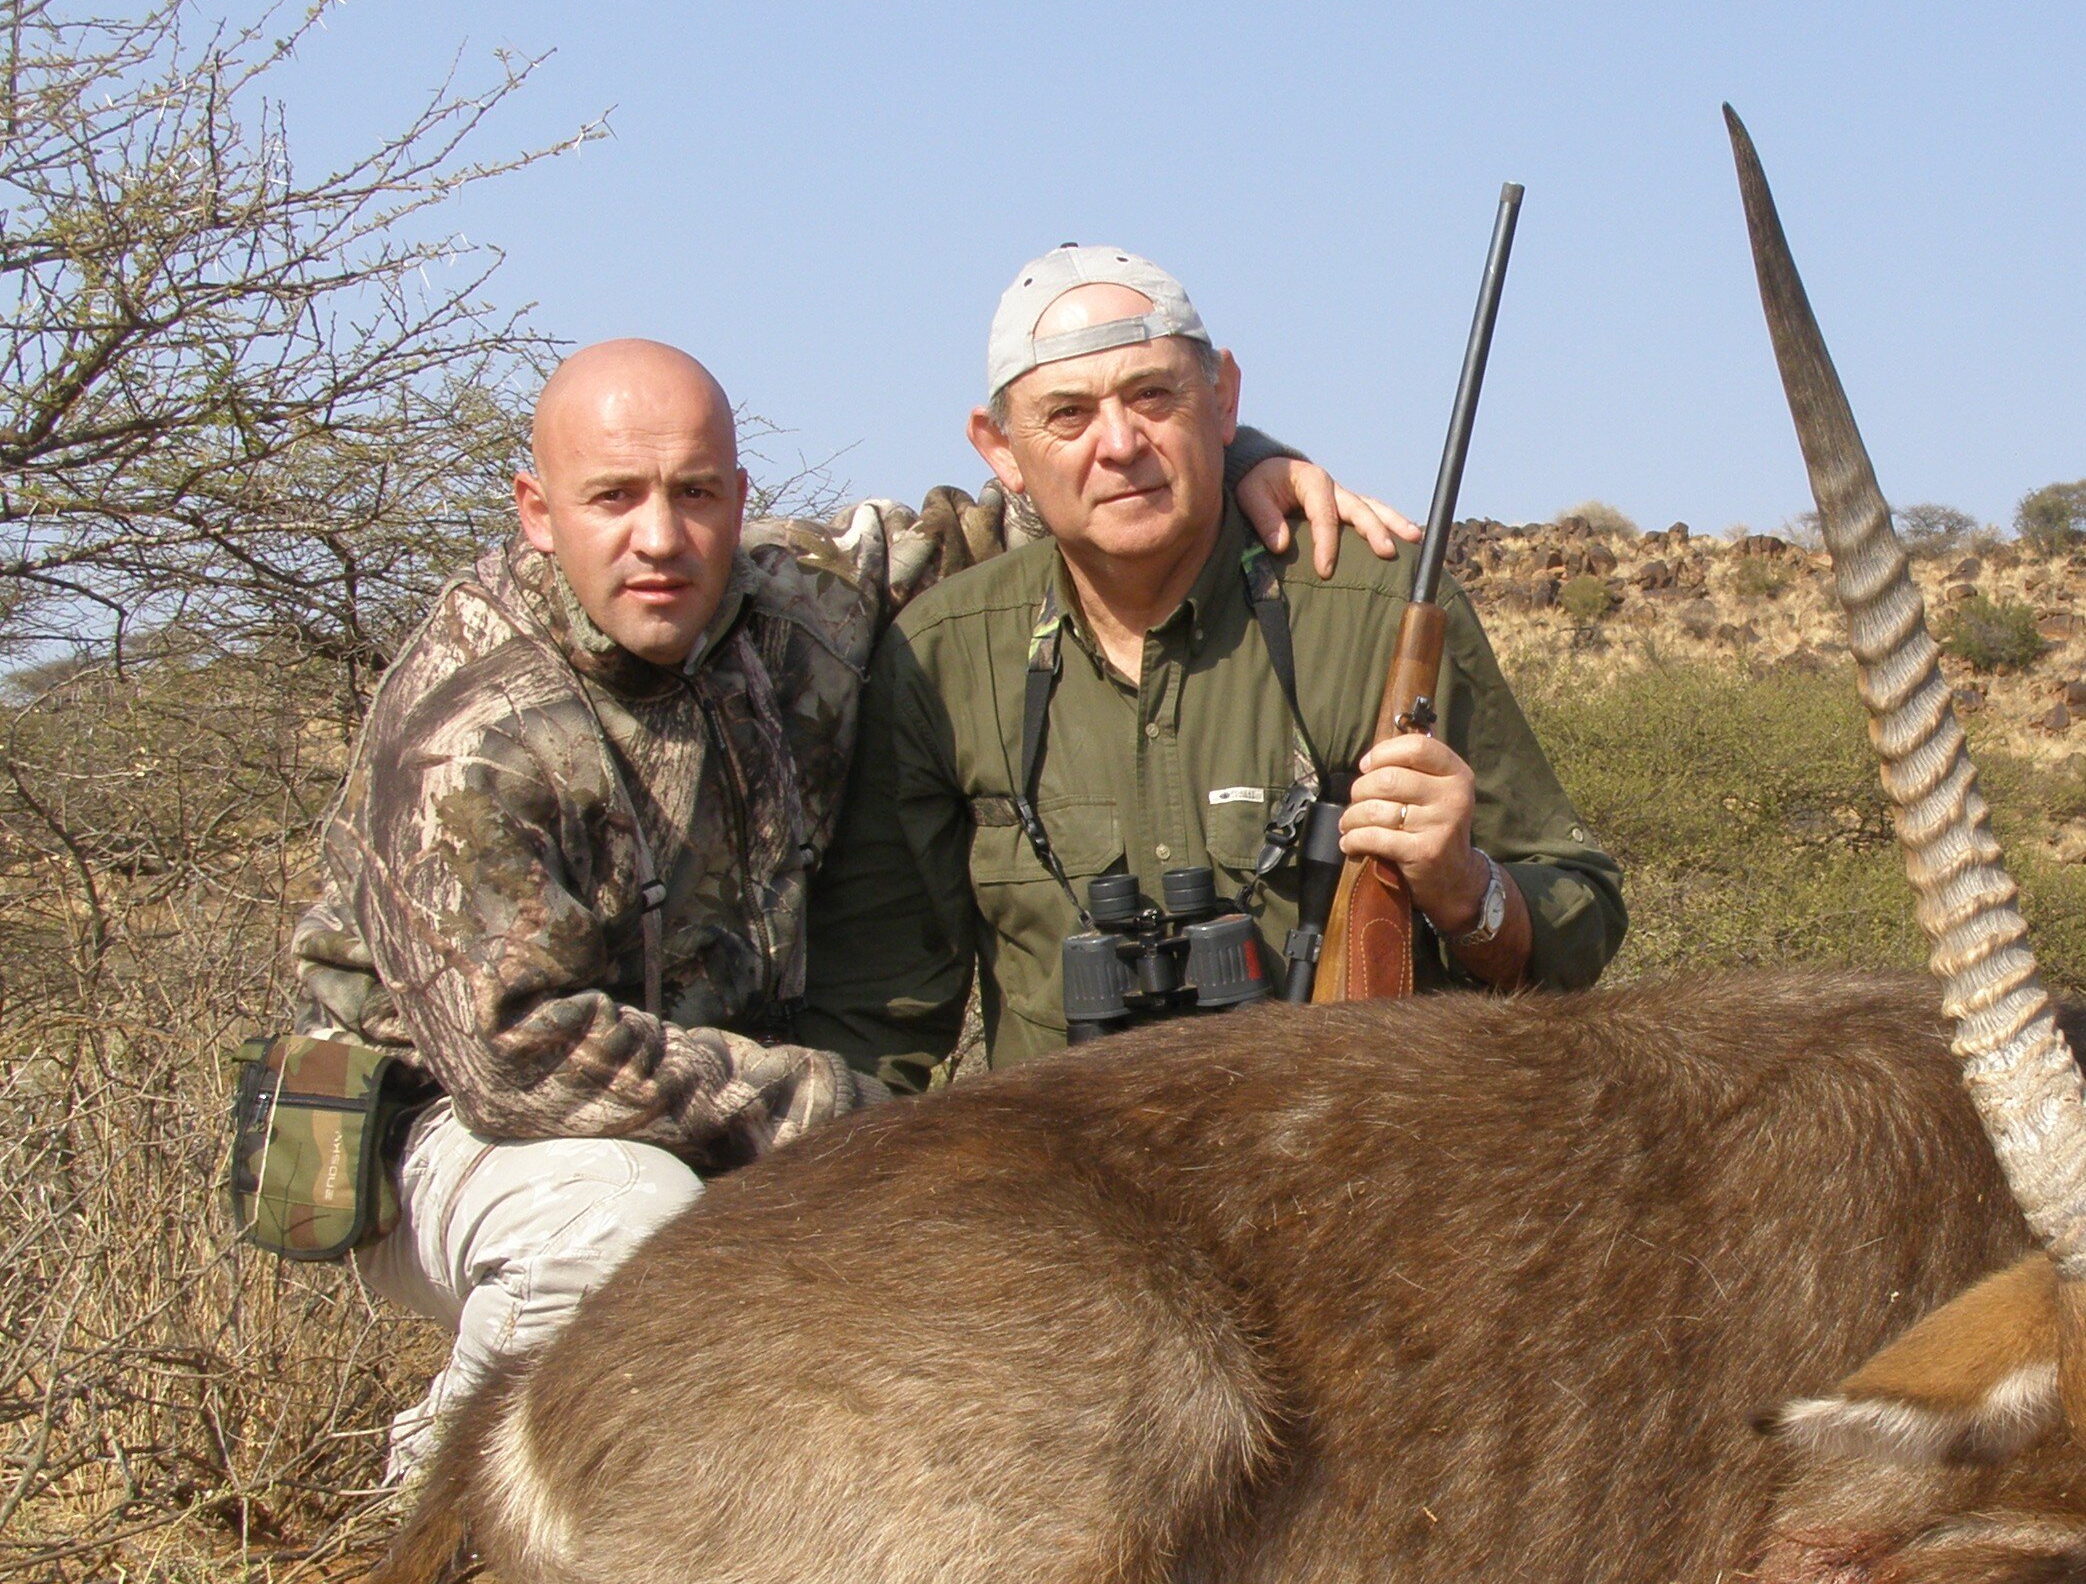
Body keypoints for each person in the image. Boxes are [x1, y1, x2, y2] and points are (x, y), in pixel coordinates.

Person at [293, 338, 1393, 1475]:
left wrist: (1247, 452)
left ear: (738, 497)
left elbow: (1039, 493)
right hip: (467, 1133)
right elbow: (521, 1059)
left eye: (694, 493)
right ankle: (450, 1495)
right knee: (617, 1231)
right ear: (535, 509)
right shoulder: (470, 735)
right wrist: (845, 1115)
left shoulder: (796, 593)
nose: (660, 538)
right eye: (612, 499)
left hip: (716, 1112)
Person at [803, 246, 1623, 1086]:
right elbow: (876, 1019)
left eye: (1153, 395)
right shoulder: (941, 654)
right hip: (1068, 1191)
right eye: (1069, 414)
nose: (1120, 444)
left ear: (1224, 396)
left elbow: (1581, 916)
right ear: (1000, 447)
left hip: (1367, 1173)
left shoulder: (1380, 608)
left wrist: (1467, 892)